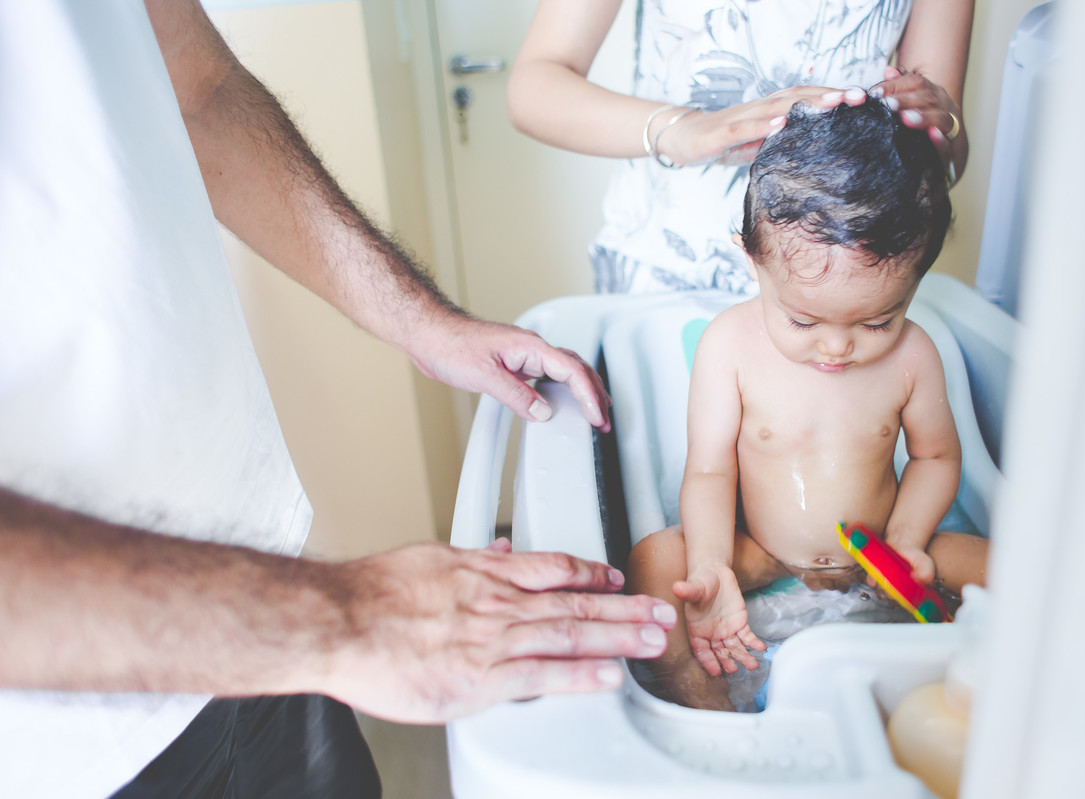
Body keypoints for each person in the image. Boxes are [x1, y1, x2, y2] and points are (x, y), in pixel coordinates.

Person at [0, 1, 676, 797]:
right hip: (74, 734)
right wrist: (355, 615)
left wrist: (421, 320)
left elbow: (202, 89)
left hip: (260, 573)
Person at [625, 98, 988, 711]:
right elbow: (711, 470)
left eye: (878, 321)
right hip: (762, 551)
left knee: (1011, 564)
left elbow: (936, 457)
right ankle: (701, 701)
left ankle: (1009, 671)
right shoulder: (728, 348)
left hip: (874, 549)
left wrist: (903, 540)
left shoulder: (914, 356)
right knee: (656, 561)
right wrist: (714, 562)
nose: (838, 346)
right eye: (802, 318)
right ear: (752, 259)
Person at [508, 0, 972, 294]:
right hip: (665, 270)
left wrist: (940, 123)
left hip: (843, 288)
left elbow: (945, 158)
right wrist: (684, 129)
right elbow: (533, 87)